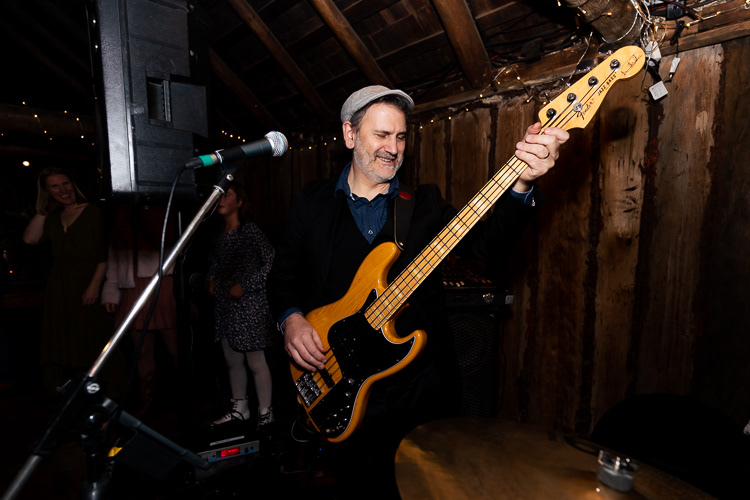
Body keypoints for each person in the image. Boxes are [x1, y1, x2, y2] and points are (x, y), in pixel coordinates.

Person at [267, 85, 569, 497]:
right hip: (338, 383)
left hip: (419, 394)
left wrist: (522, 185)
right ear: (350, 135)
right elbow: (281, 277)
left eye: (401, 137)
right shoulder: (312, 202)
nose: (393, 148)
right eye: (381, 135)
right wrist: (291, 320)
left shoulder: (424, 204)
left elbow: (489, 246)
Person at [22, 167, 121, 394]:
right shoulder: (53, 217)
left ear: (73, 184)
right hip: (59, 284)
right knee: (62, 336)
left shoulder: (92, 211)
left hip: (88, 279)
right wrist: (44, 209)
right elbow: (29, 239)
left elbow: (103, 254)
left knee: (93, 335)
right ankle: (70, 390)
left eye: (65, 184)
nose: (63, 190)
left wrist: (94, 286)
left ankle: (106, 389)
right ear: (47, 192)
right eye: (54, 187)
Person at [207, 182, 277, 429]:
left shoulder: (250, 231)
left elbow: (271, 263)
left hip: (250, 306)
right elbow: (214, 264)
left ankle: (266, 412)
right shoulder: (218, 235)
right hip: (226, 307)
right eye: (219, 196)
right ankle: (240, 408)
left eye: (227, 195)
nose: (221, 200)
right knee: (232, 361)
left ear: (239, 202)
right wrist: (211, 280)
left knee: (255, 361)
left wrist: (245, 286)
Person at [101, 206, 179, 416]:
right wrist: (111, 290)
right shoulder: (122, 213)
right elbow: (114, 254)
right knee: (142, 350)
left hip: (161, 281)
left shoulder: (161, 209)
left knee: (176, 347)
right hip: (131, 286)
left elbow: (168, 238)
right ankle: (147, 401)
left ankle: (189, 396)